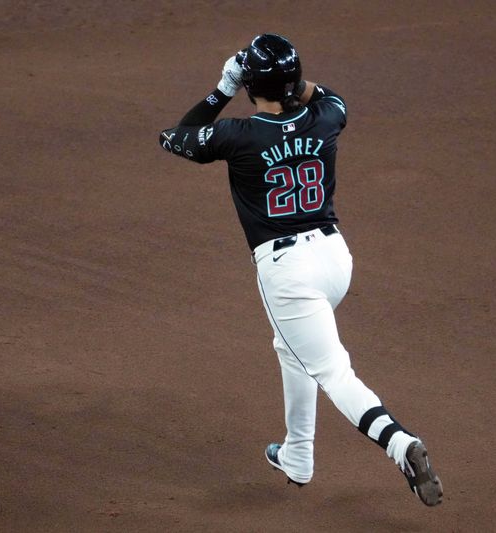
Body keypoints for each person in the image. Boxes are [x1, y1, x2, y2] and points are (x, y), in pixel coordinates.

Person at [158, 33, 443, 507]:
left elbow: (175, 137)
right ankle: (297, 455)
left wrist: (224, 87)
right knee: (292, 347)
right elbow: (331, 96)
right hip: (334, 260)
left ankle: (401, 444)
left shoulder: (237, 135)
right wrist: (290, 83)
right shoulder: (326, 117)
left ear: (250, 84)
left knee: (333, 372)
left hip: (288, 272)